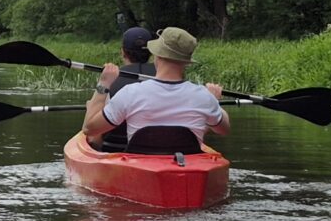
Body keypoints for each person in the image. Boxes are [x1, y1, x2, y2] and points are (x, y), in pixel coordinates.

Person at [82, 26, 228, 153]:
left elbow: (90, 129)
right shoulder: (203, 96)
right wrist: (214, 102)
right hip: (185, 168)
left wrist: (104, 84)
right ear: (187, 62)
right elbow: (223, 129)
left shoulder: (130, 93)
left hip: (140, 169)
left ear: (157, 55)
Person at [91, 25, 157, 146]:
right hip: (162, 149)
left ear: (122, 51)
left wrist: (92, 107)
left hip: (114, 149)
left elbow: (93, 138)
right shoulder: (168, 77)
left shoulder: (110, 80)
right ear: (151, 52)